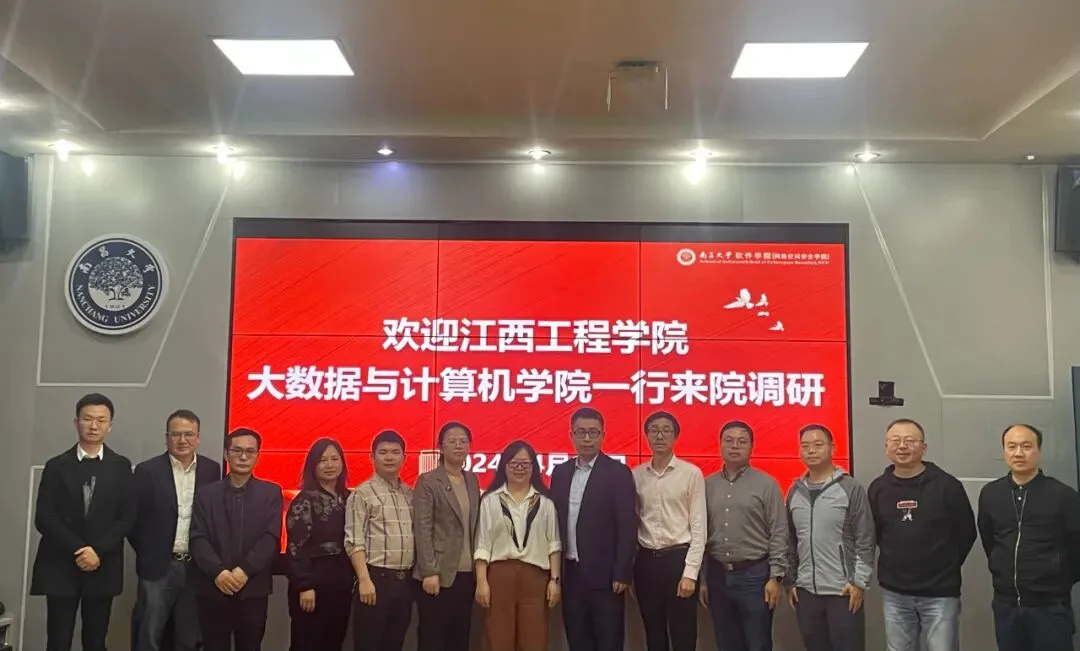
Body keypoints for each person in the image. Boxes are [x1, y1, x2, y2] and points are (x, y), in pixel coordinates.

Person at [31, 393, 137, 651]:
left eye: (101, 420)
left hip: (103, 564)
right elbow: (44, 517)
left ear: (110, 426)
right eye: (87, 419)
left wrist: (97, 550)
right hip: (60, 564)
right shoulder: (56, 465)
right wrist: (80, 549)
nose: (94, 425)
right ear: (76, 422)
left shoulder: (121, 466)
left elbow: (127, 516)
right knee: (58, 640)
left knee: (95, 640)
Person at [868, 418, 976, 651]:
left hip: (940, 592)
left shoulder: (947, 486)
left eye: (910, 440)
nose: (902, 446)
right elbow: (875, 534)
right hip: (895, 592)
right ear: (886, 447)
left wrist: (944, 565)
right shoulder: (878, 488)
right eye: (895, 440)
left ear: (924, 447)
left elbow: (967, 532)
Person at [977, 423, 1080, 651]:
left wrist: (1056, 575)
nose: (1018, 453)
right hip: (1006, 604)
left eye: (1026, 446)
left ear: (1038, 451)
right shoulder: (990, 494)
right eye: (1011, 446)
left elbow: (1076, 546)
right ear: (1004, 451)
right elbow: (989, 540)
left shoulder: (1063, 496)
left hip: (1050, 606)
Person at [130, 409, 221, 651]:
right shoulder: (147, 471)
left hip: (196, 568)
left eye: (189, 434)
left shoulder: (211, 470)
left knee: (189, 637)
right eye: (176, 434)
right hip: (158, 567)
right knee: (149, 634)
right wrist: (149, 552)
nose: (182, 440)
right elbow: (134, 520)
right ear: (166, 437)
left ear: (198, 437)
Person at [550, 407, 637, 651]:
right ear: (571, 435)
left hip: (606, 577)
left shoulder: (618, 472)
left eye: (593, 432)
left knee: (608, 641)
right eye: (581, 432)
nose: (587, 438)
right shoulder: (561, 472)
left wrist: (622, 572)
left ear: (603, 435)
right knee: (577, 639)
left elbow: (627, 525)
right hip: (570, 573)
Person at [189, 427, 283, 651]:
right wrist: (218, 572)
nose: (243, 457)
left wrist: (245, 571)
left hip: (253, 589)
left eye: (250, 452)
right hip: (213, 587)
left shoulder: (271, 493)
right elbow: (197, 537)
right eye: (237, 450)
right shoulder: (206, 494)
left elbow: (271, 538)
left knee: (250, 645)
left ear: (258, 455)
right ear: (226, 454)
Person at [700, 420, 787, 651]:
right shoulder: (706, 485)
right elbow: (700, 535)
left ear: (751, 446)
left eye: (742, 441)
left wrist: (776, 577)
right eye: (729, 441)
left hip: (755, 577)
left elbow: (779, 532)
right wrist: (703, 580)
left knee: (758, 642)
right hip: (717, 575)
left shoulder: (767, 484)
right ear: (720, 445)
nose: (735, 446)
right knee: (726, 642)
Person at [786, 424, 875, 651]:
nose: (811, 450)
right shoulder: (794, 491)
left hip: (843, 591)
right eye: (805, 446)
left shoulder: (850, 488)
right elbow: (791, 541)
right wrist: (792, 581)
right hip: (806, 592)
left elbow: (865, 538)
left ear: (832, 448)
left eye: (818, 445)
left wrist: (858, 582)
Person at [474, 440, 562, 651]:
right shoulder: (490, 501)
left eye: (525, 463)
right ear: (504, 466)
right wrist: (481, 582)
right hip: (499, 577)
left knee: (534, 640)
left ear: (534, 468)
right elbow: (482, 545)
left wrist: (555, 581)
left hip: (536, 579)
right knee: (498, 639)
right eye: (514, 463)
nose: (519, 468)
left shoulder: (545, 503)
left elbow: (554, 545)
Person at [632, 411, 706, 651]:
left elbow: (699, 527)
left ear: (675, 436)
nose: (660, 436)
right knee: (653, 635)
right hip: (646, 562)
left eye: (666, 430)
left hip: (678, 560)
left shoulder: (691, 473)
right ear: (646, 436)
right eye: (654, 430)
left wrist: (690, 573)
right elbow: (632, 523)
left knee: (683, 634)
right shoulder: (636, 475)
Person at [414, 422, 481, 651]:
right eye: (452, 441)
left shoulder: (472, 480)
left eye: (463, 441)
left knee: (459, 638)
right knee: (434, 638)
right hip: (439, 574)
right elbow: (423, 527)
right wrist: (429, 571)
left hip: (466, 574)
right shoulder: (428, 481)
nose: (458, 446)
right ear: (441, 448)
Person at [346, 430, 415, 651]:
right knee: (369, 644)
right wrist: (364, 579)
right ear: (372, 457)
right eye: (383, 452)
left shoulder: (410, 494)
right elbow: (354, 541)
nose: (389, 457)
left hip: (405, 584)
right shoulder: (362, 494)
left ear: (404, 457)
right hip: (375, 581)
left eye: (395, 452)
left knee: (395, 644)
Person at [286, 438, 353, 651]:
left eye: (335, 459)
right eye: (323, 460)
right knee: (307, 643)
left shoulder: (350, 498)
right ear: (312, 466)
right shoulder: (304, 500)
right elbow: (296, 548)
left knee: (334, 643)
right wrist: (305, 586)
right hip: (312, 588)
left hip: (342, 587)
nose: (330, 465)